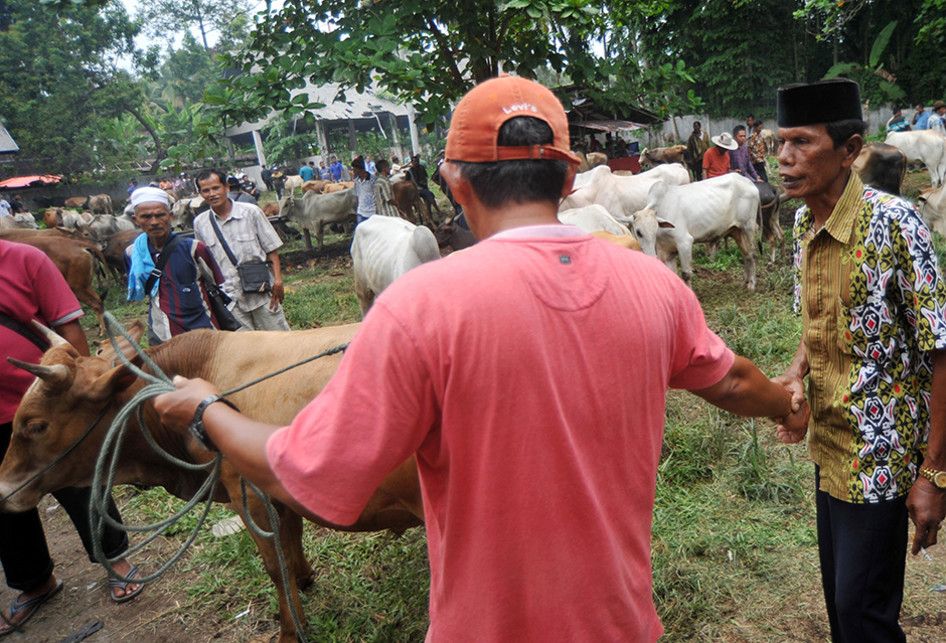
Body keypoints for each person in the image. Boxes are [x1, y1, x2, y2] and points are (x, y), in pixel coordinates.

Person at [153, 76, 807, 642]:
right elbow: (732, 379)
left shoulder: (417, 307)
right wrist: (788, 405)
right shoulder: (654, 283)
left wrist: (205, 407)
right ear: (571, 176)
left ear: (452, 180)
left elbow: (309, 466)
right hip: (623, 622)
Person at [775, 78, 946, 643]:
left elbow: (941, 350)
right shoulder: (805, 222)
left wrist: (934, 476)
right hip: (832, 444)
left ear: (849, 151)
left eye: (801, 142)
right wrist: (796, 374)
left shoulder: (896, 225)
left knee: (862, 614)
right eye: (781, 142)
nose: (783, 157)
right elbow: (820, 319)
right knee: (840, 607)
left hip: (882, 452)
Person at [0, 239, 144, 636]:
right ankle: (34, 581)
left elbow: (68, 329)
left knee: (79, 479)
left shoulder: (25, 260)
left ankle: (113, 556)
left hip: (44, 405)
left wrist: (81, 399)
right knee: (5, 496)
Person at [125, 186, 230, 344]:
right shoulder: (132, 254)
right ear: (135, 220)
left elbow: (216, 283)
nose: (154, 222)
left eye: (160, 215)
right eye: (146, 217)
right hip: (164, 334)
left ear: (171, 216)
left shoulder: (194, 248)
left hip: (204, 331)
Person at [192, 170, 289, 331]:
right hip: (230, 297)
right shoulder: (200, 223)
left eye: (216, 188)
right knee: (245, 348)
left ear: (226, 187)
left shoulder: (251, 212)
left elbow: (271, 249)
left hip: (261, 290)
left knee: (278, 339)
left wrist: (278, 280)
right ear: (200, 194)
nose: (212, 194)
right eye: (206, 190)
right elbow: (203, 262)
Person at [407, 154, 442, 218]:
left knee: (429, 197)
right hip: (415, 190)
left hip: (424, 187)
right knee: (428, 195)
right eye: (414, 162)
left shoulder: (421, 168)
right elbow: (407, 182)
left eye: (417, 161)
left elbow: (426, 177)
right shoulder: (409, 171)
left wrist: (424, 184)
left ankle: (434, 212)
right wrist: (414, 186)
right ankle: (436, 212)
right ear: (412, 162)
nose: (416, 163)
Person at [351, 156, 378, 225]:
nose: (353, 171)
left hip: (373, 213)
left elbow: (378, 196)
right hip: (361, 212)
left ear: (360, 169)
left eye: (354, 169)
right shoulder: (356, 181)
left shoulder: (373, 180)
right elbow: (357, 196)